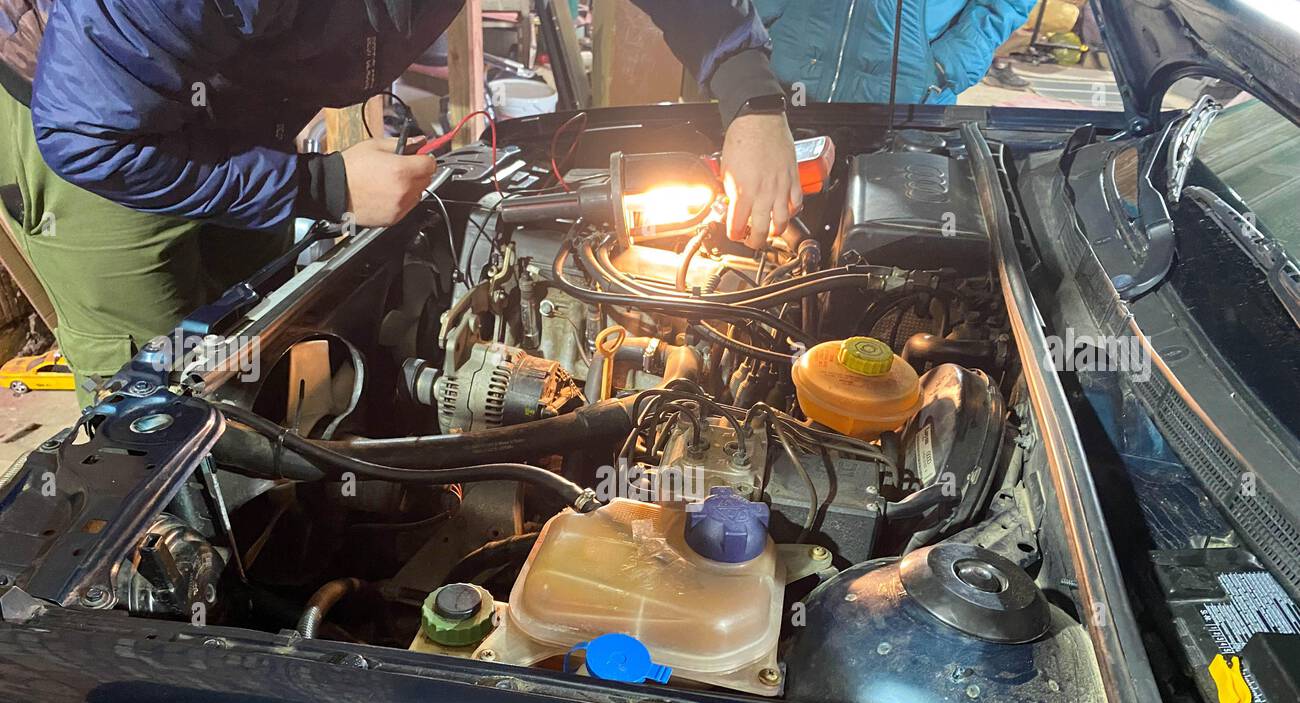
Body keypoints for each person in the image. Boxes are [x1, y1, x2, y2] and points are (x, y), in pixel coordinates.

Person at [0, 1, 799, 403]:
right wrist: (323, 186)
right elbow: (90, 135)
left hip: (232, 97)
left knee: (247, 348)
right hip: (90, 132)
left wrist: (751, 97)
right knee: (163, 395)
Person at [755, 0, 1036, 105]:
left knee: (889, 227)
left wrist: (951, 61)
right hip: (779, 79)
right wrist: (755, 25)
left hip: (911, 92)